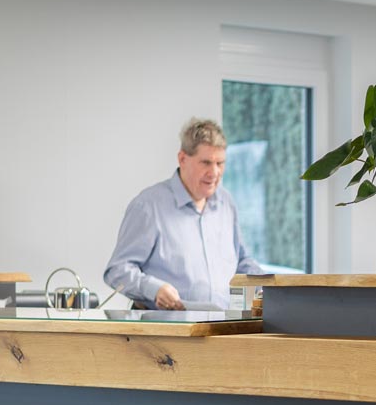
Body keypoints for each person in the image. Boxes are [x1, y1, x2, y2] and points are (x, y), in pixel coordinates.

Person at [104, 118, 262, 309]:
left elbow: (242, 262)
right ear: (182, 159)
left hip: (225, 323)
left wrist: (275, 286)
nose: (214, 172)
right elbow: (117, 271)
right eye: (206, 163)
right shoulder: (148, 206)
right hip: (168, 325)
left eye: (220, 163)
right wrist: (154, 289)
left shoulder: (226, 203)